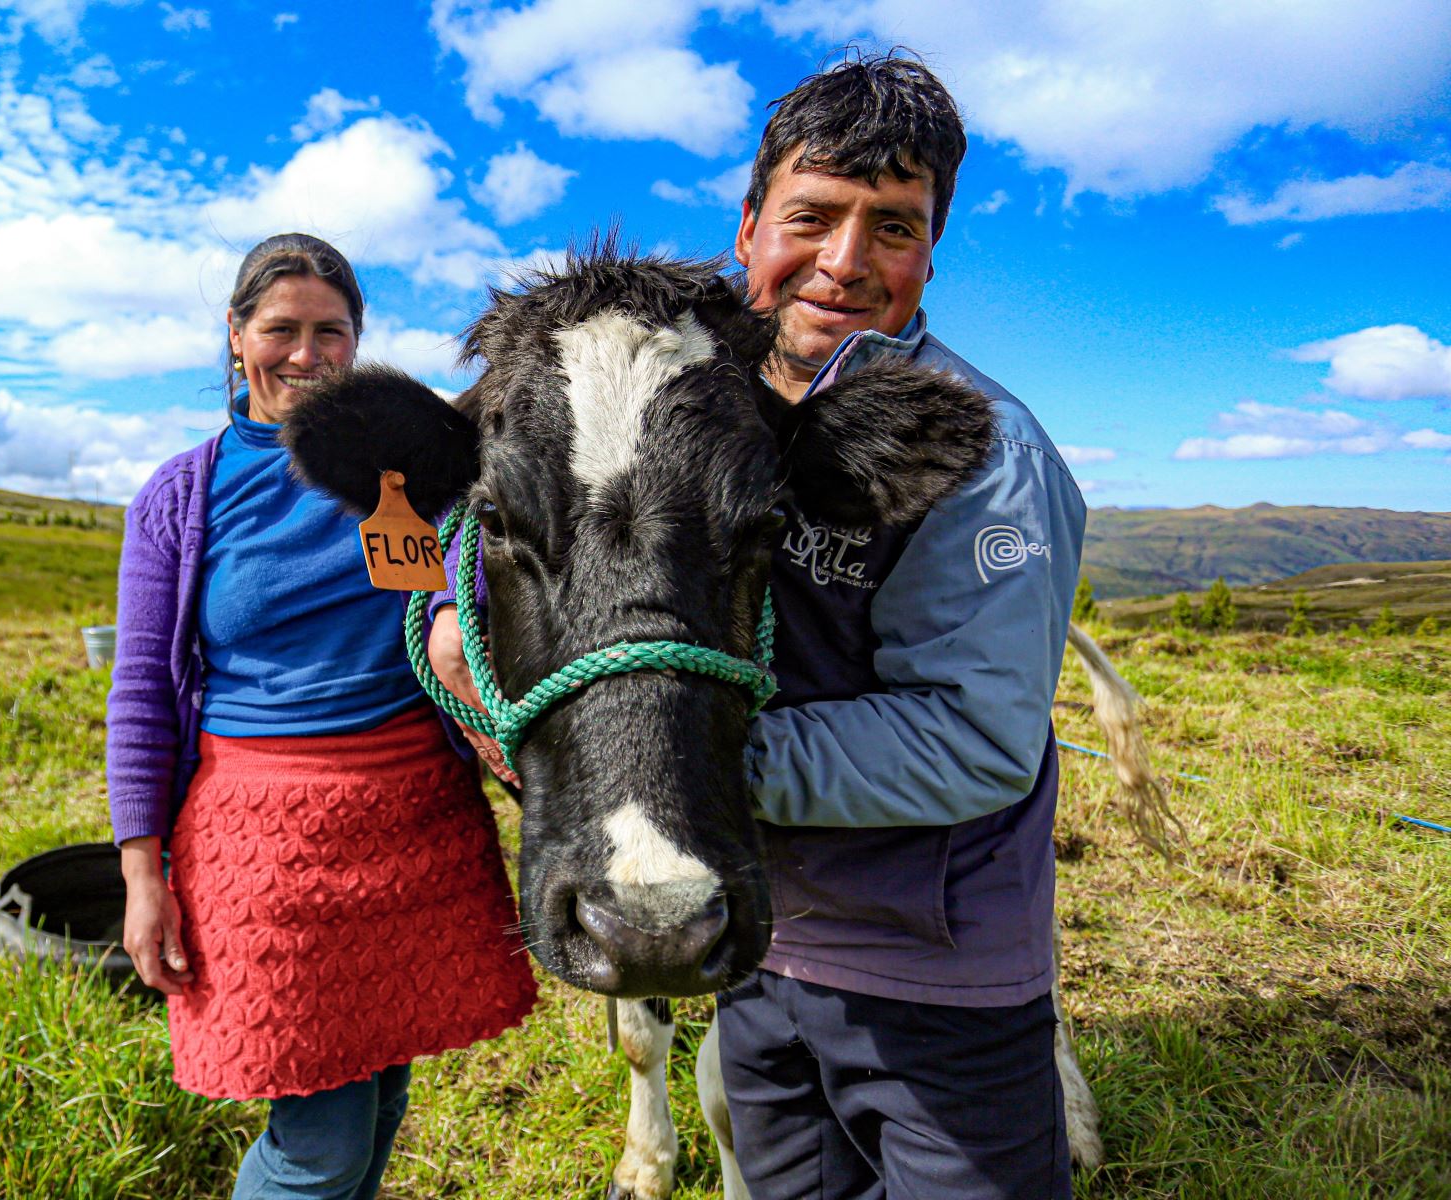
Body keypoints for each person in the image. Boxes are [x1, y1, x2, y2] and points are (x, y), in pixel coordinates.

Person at [430, 53, 1085, 1199]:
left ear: (931, 251)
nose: (843, 262)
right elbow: (542, 489)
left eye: (893, 226)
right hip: (760, 939)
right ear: (748, 228)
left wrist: (656, 771)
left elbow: (978, 737)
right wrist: (452, 611)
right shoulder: (716, 400)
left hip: (928, 975)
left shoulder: (983, 453)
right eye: (812, 217)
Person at [106, 232, 537, 1200]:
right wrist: (142, 871)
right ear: (235, 334)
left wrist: (451, 636)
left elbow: (441, 602)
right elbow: (140, 689)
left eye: (331, 332)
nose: (305, 355)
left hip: (417, 821)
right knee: (320, 1141)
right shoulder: (185, 495)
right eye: (282, 330)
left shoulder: (403, 478)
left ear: (360, 340)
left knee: (382, 1094)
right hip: (267, 842)